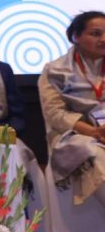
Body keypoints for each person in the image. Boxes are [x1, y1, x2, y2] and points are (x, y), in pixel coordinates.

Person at [41, 11, 105, 204]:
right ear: (75, 36)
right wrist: (95, 132)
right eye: (96, 34)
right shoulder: (55, 70)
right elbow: (55, 114)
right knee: (93, 153)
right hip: (74, 133)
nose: (103, 39)